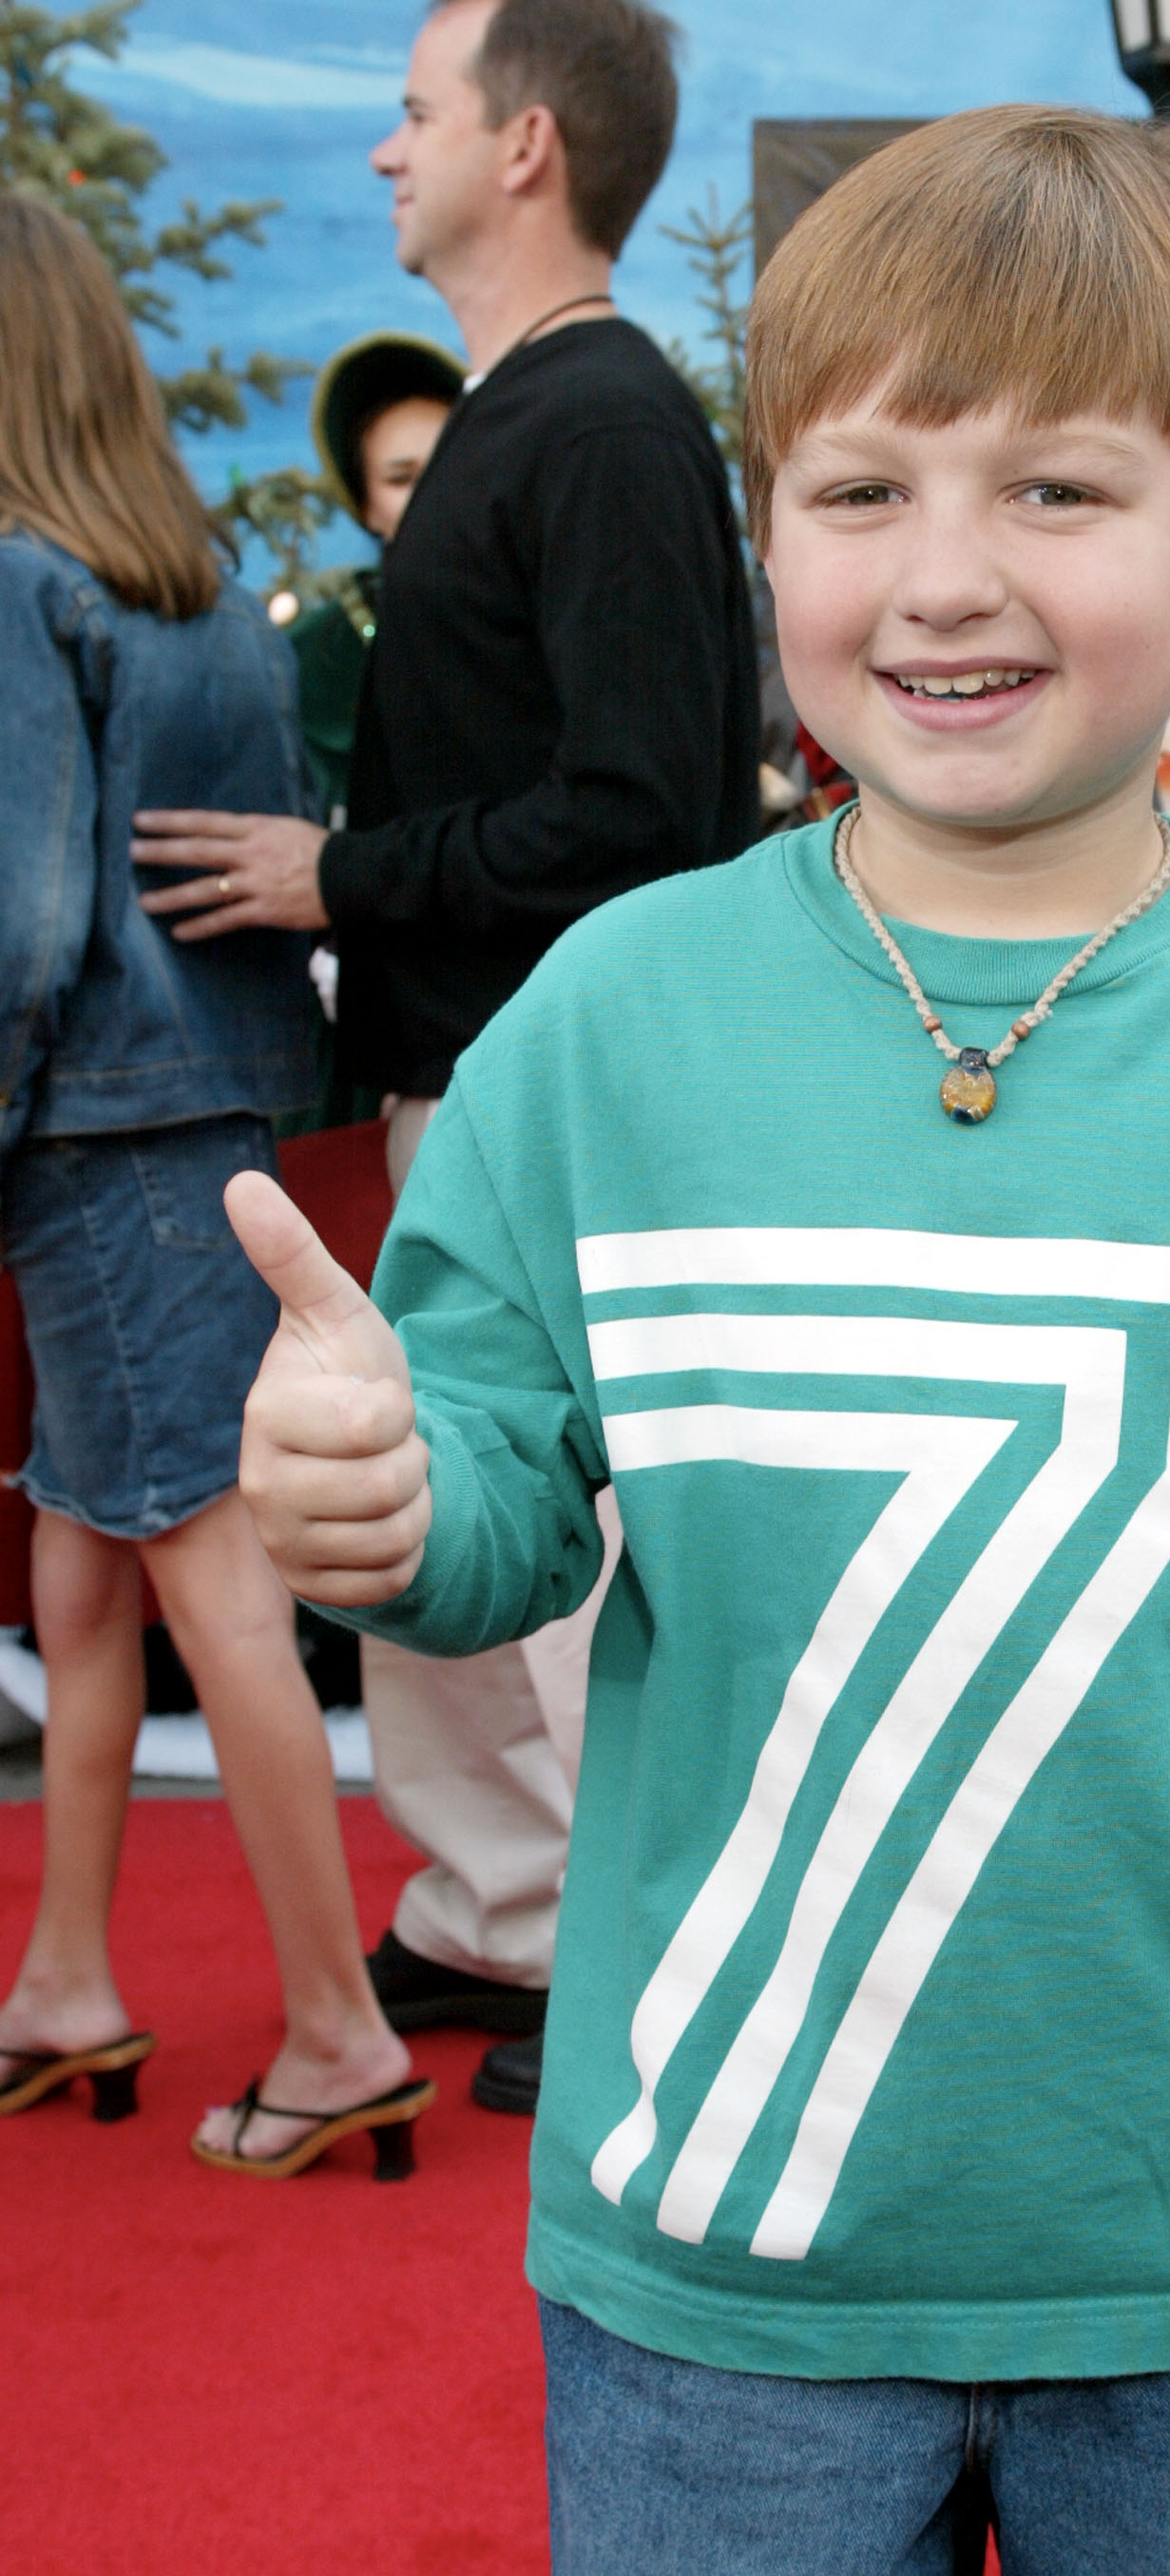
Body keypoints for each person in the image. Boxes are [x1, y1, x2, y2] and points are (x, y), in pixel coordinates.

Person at [228, 107, 1170, 2576]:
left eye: (1056, 491)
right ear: (768, 536)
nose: (944, 577)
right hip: (715, 2271)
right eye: (859, 488)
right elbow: (505, 1489)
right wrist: (380, 1496)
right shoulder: (612, 1019)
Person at [131, 0, 761, 2112]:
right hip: (468, 1080)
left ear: (526, 147)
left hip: (552, 1081)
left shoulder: (598, 430)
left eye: (414, 114)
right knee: (440, 1544)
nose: (383, 153)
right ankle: (500, 1923)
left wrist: (344, 876)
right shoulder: (528, 413)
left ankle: (642, 1964)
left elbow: (649, 808)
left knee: (559, 1540)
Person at [0, 192, 426, 2175]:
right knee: (87, 1572)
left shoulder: (20, 582)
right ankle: (65, 1985)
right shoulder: (193, 576)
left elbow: (24, 924)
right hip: (216, 1112)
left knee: (200, 1579)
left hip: (93, 1132)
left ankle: (337, 2033)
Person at [292, 332, 465, 823]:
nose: (432, 493)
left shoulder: (552, 629)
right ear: (366, 504)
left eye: (452, 465)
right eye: (401, 478)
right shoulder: (311, 656)